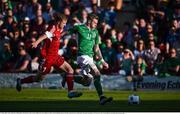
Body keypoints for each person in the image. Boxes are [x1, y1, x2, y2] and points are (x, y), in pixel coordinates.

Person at [16, 13, 82, 98]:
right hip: (47, 58)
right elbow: (44, 35)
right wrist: (36, 42)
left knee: (70, 70)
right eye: (64, 23)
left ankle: (70, 91)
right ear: (58, 22)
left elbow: (57, 35)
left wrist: (66, 32)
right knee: (38, 79)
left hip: (55, 56)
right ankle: (21, 81)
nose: (65, 25)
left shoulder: (59, 29)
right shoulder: (53, 28)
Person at [63, 14, 113, 105]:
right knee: (96, 73)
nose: (95, 24)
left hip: (90, 57)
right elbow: (66, 32)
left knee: (87, 82)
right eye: (94, 22)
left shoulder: (95, 32)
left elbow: (96, 48)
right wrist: (55, 35)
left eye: (97, 23)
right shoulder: (79, 28)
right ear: (89, 20)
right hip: (82, 56)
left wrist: (102, 61)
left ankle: (68, 77)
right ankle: (102, 97)